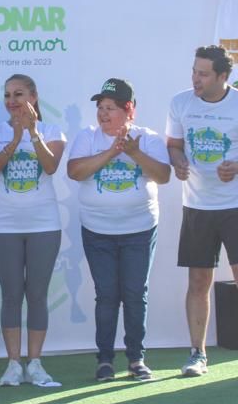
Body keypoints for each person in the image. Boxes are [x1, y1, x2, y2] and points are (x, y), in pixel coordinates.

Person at [167, 46, 238, 381]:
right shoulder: (180, 103)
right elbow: (174, 145)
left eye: (203, 74)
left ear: (223, 76)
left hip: (236, 208)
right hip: (197, 207)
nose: (195, 79)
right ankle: (197, 354)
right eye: (194, 72)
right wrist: (178, 162)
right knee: (198, 281)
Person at [67, 78, 171, 381]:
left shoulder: (148, 139)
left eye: (110, 108)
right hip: (97, 231)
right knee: (107, 295)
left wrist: (134, 153)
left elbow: (163, 176)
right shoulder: (87, 137)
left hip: (139, 230)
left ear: (129, 110)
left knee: (135, 294)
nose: (103, 114)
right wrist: (112, 151)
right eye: (100, 107)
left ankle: (136, 359)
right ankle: (105, 360)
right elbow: (75, 172)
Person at [0, 74, 66, 387]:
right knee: (11, 295)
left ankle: (36, 363)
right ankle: (13, 364)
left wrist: (32, 133)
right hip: (4, 225)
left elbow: (51, 166)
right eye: (7, 95)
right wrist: (15, 139)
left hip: (44, 224)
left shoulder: (52, 131)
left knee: (37, 294)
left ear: (34, 96)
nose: (12, 101)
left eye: (18, 94)